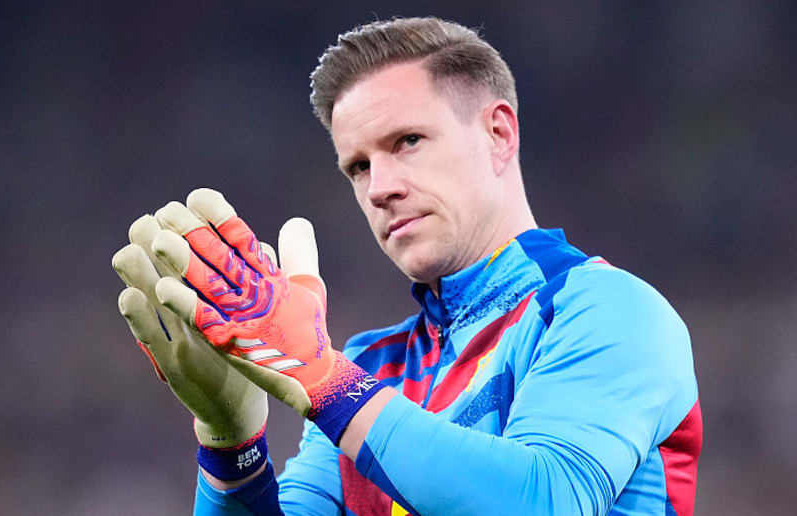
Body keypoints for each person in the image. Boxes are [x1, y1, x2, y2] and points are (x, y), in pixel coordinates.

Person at [112, 16, 701, 515]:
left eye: (408, 141)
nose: (379, 189)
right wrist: (232, 446)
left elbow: (546, 501)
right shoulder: (373, 365)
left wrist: (326, 380)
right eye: (359, 167)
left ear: (498, 134)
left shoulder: (607, 310)